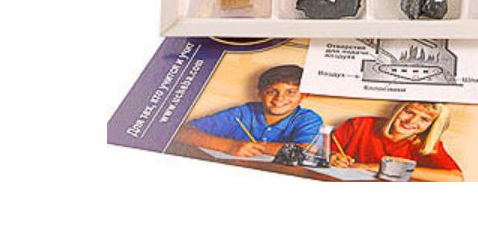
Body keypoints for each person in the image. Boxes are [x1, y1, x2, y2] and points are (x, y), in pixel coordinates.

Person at [175, 64, 322, 157]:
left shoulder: (308, 119)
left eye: (290, 92)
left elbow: (307, 150)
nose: (280, 98)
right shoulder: (243, 113)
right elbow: (181, 132)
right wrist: (229, 146)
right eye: (272, 91)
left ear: (304, 95)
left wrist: (258, 147)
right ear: (260, 93)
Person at [330, 102, 463, 182]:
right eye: (409, 112)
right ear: (398, 110)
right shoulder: (359, 124)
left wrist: (378, 168)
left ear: (432, 126)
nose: (411, 121)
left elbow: (455, 178)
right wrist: (333, 156)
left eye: (424, 119)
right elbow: (324, 149)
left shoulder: (425, 144)